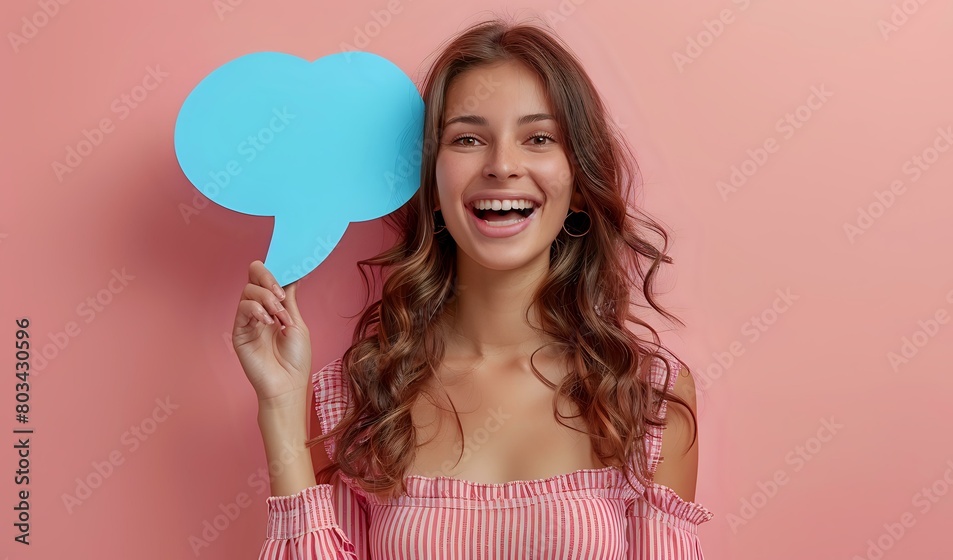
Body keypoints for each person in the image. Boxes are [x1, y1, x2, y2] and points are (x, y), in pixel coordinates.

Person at [233, 17, 714, 560]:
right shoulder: (359, 396)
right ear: (432, 183)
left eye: (538, 138)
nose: (502, 165)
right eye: (467, 138)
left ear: (578, 186)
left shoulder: (648, 395)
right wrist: (279, 405)